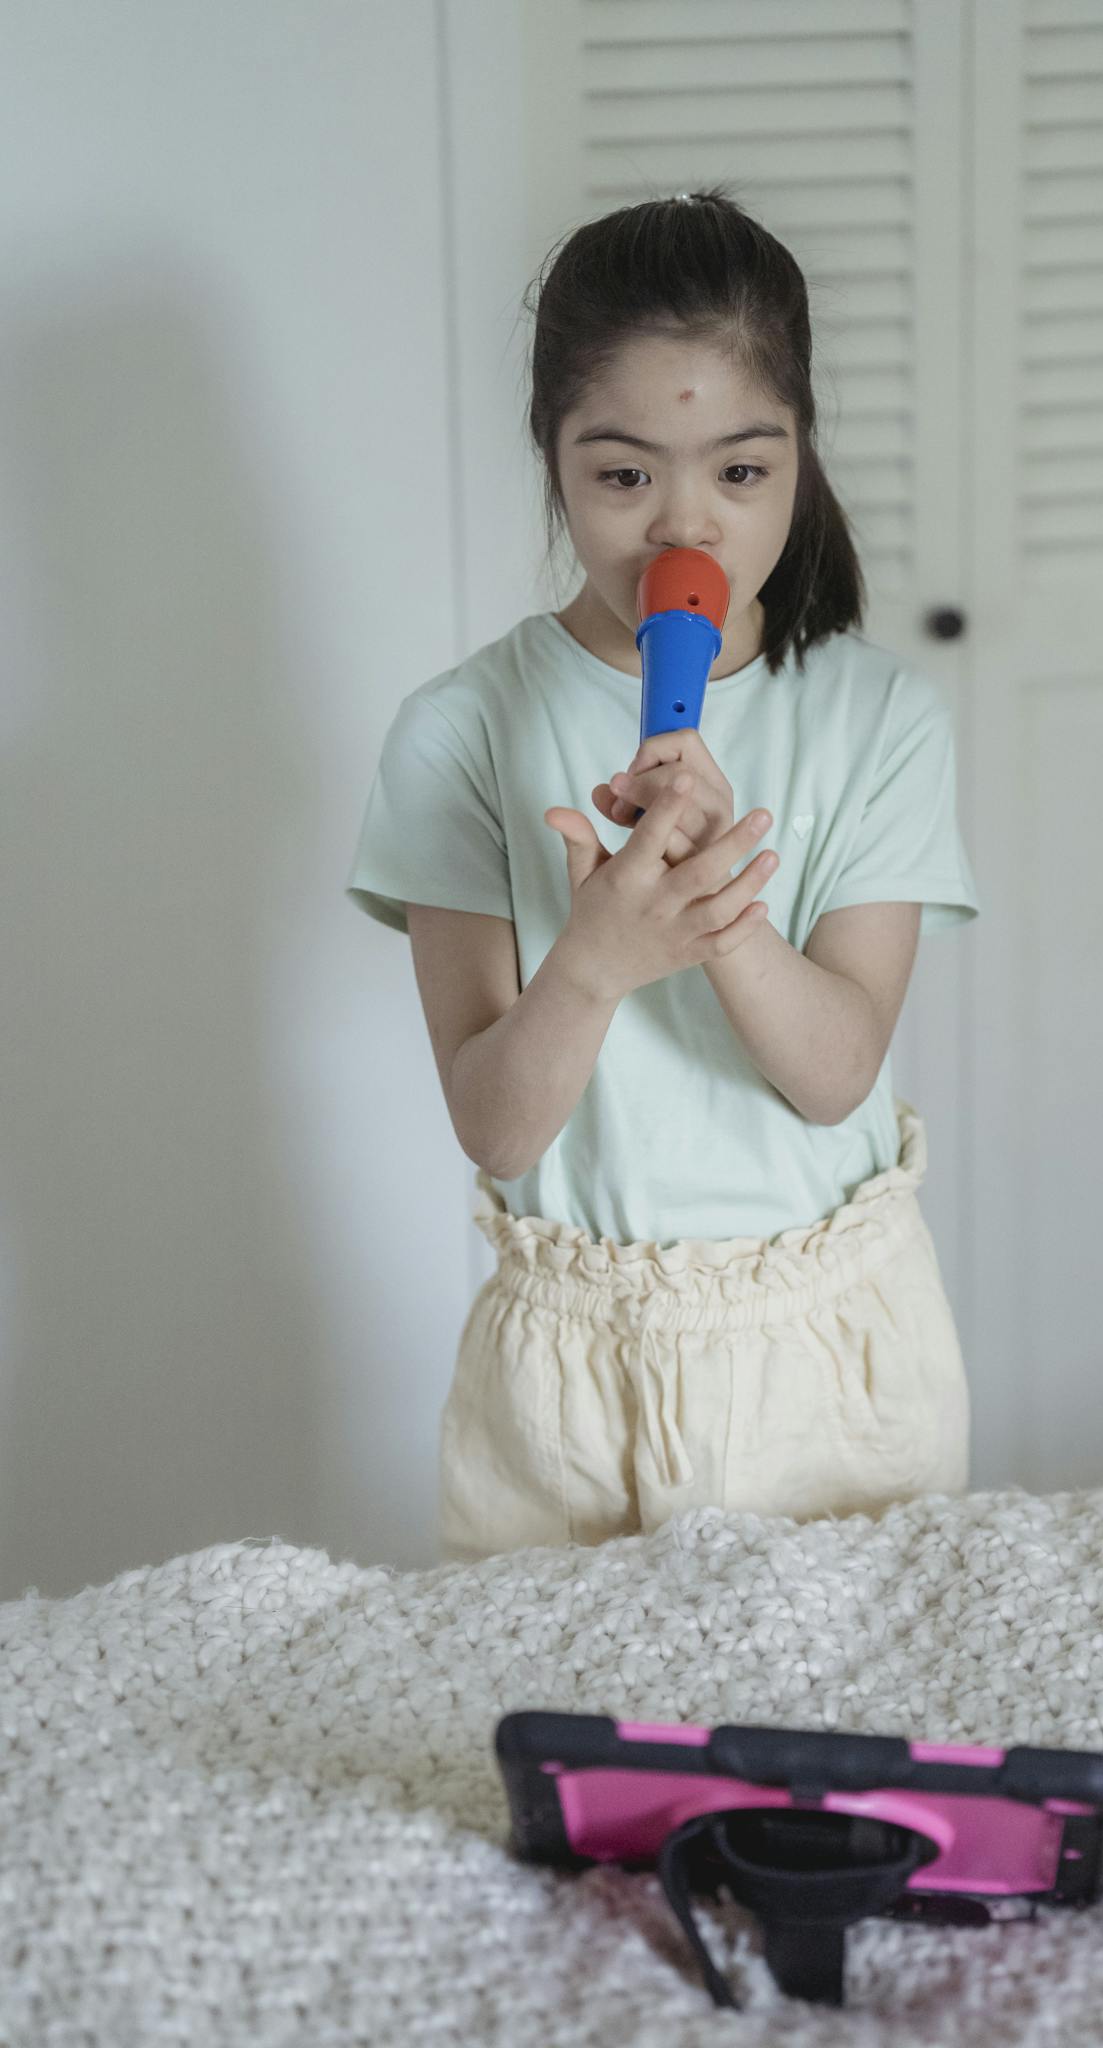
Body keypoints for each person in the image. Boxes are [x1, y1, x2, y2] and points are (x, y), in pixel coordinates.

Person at [345, 186, 981, 1561]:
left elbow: (834, 1077)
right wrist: (594, 962)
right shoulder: (457, 731)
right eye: (624, 476)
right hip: (568, 1384)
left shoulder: (882, 721)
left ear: (800, 459)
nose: (683, 529)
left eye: (739, 474)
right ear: (553, 460)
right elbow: (497, 1131)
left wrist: (719, 916)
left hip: (832, 1355)